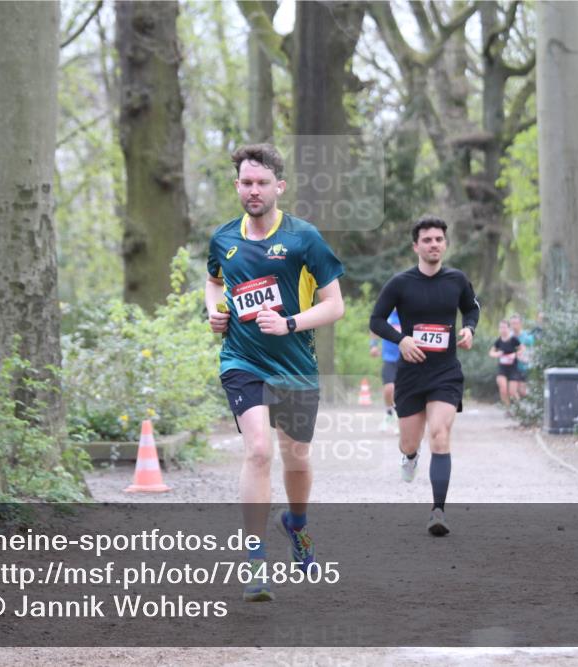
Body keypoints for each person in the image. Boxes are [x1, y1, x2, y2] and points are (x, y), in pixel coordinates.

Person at [205, 143, 345, 601]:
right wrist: (214, 313)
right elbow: (213, 281)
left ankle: (296, 525)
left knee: (297, 458)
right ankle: (255, 558)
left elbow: (334, 305)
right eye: (246, 183)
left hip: (296, 366)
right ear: (236, 186)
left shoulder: (305, 238)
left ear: (279, 187)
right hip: (242, 362)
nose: (254, 190)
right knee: (259, 451)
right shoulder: (223, 239)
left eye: (262, 183)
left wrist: (289, 322)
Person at [370, 217, 480, 537]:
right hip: (410, 374)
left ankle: (438, 511)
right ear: (415, 246)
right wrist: (401, 339)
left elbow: (471, 309)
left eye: (439, 239)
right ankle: (410, 456)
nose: (434, 244)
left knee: (440, 435)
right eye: (427, 240)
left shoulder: (457, 280)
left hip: (445, 372)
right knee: (409, 441)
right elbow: (376, 320)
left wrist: (469, 328)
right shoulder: (400, 283)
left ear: (445, 244)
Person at [369, 308, 401, 434]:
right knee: (389, 388)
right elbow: (374, 328)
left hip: (407, 359)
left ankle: (401, 420)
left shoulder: (410, 311)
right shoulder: (387, 314)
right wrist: (373, 345)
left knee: (401, 391)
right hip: (389, 358)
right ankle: (389, 414)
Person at [489, 319, 523, 407]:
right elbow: (491, 353)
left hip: (513, 368)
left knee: (512, 392)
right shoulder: (498, 341)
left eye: (504, 327)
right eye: (501, 327)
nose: (502, 329)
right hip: (502, 368)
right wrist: (497, 354)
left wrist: (514, 354)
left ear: (508, 328)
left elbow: (522, 349)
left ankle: (520, 409)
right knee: (503, 389)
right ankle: (507, 408)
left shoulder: (513, 339)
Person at [509, 313, 532, 398]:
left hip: (524, 367)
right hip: (511, 368)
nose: (513, 326)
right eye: (512, 323)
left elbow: (532, 352)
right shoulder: (508, 336)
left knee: (522, 392)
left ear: (520, 324)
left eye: (515, 323)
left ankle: (525, 408)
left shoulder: (527, 338)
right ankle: (516, 409)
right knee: (512, 391)